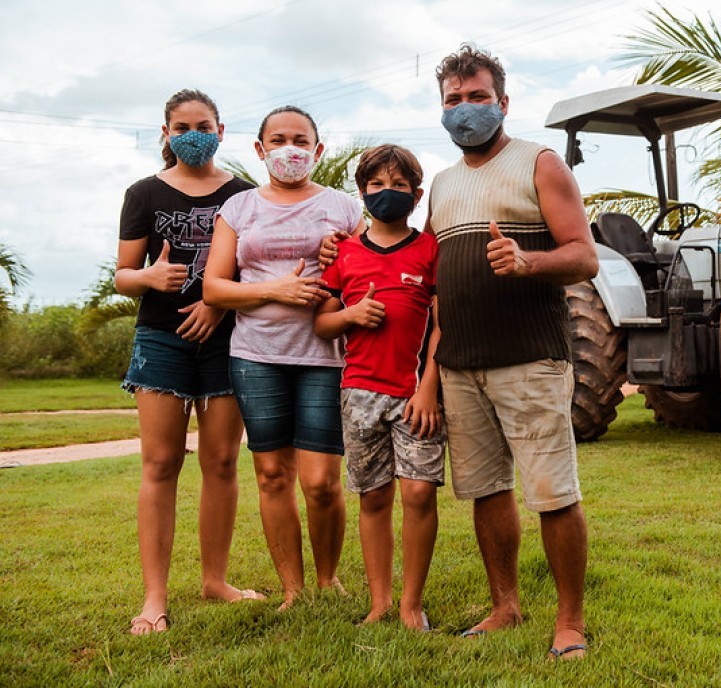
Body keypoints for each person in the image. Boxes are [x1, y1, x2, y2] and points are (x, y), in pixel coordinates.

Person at [426, 45, 599, 660]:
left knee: (553, 492)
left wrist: (527, 261)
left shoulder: (540, 163)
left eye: (477, 97)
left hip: (530, 358)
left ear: (503, 102)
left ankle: (570, 622)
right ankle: (505, 606)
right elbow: (437, 279)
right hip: (461, 364)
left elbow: (584, 256)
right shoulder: (442, 184)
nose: (465, 108)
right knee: (486, 490)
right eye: (453, 99)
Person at [115, 88, 264, 635]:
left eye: (203, 127)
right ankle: (154, 598)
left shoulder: (245, 194)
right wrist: (150, 277)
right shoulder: (143, 193)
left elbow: (255, 272)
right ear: (166, 134)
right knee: (160, 464)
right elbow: (123, 275)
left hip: (227, 341)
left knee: (221, 463)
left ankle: (215, 581)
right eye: (181, 128)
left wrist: (216, 305)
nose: (193, 136)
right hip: (160, 340)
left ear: (220, 132)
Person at [203, 106, 364, 610]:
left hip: (324, 356)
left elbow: (367, 272)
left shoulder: (343, 207)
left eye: (300, 140)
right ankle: (293, 589)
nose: (288, 149)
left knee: (321, 482)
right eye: (277, 140)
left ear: (318, 150)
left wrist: (341, 259)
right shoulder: (238, 209)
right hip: (256, 357)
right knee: (272, 475)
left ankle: (327, 579)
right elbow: (214, 288)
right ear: (260, 149)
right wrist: (278, 289)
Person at [314, 144, 444, 632]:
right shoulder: (344, 253)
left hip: (416, 396)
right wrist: (351, 314)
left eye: (398, 185)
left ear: (416, 194)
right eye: (376, 185)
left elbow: (442, 325)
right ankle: (381, 602)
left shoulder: (429, 250)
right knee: (373, 498)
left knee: (419, 494)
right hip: (359, 394)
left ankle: (412, 603)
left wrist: (428, 387)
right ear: (362, 192)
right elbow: (322, 323)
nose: (387, 193)